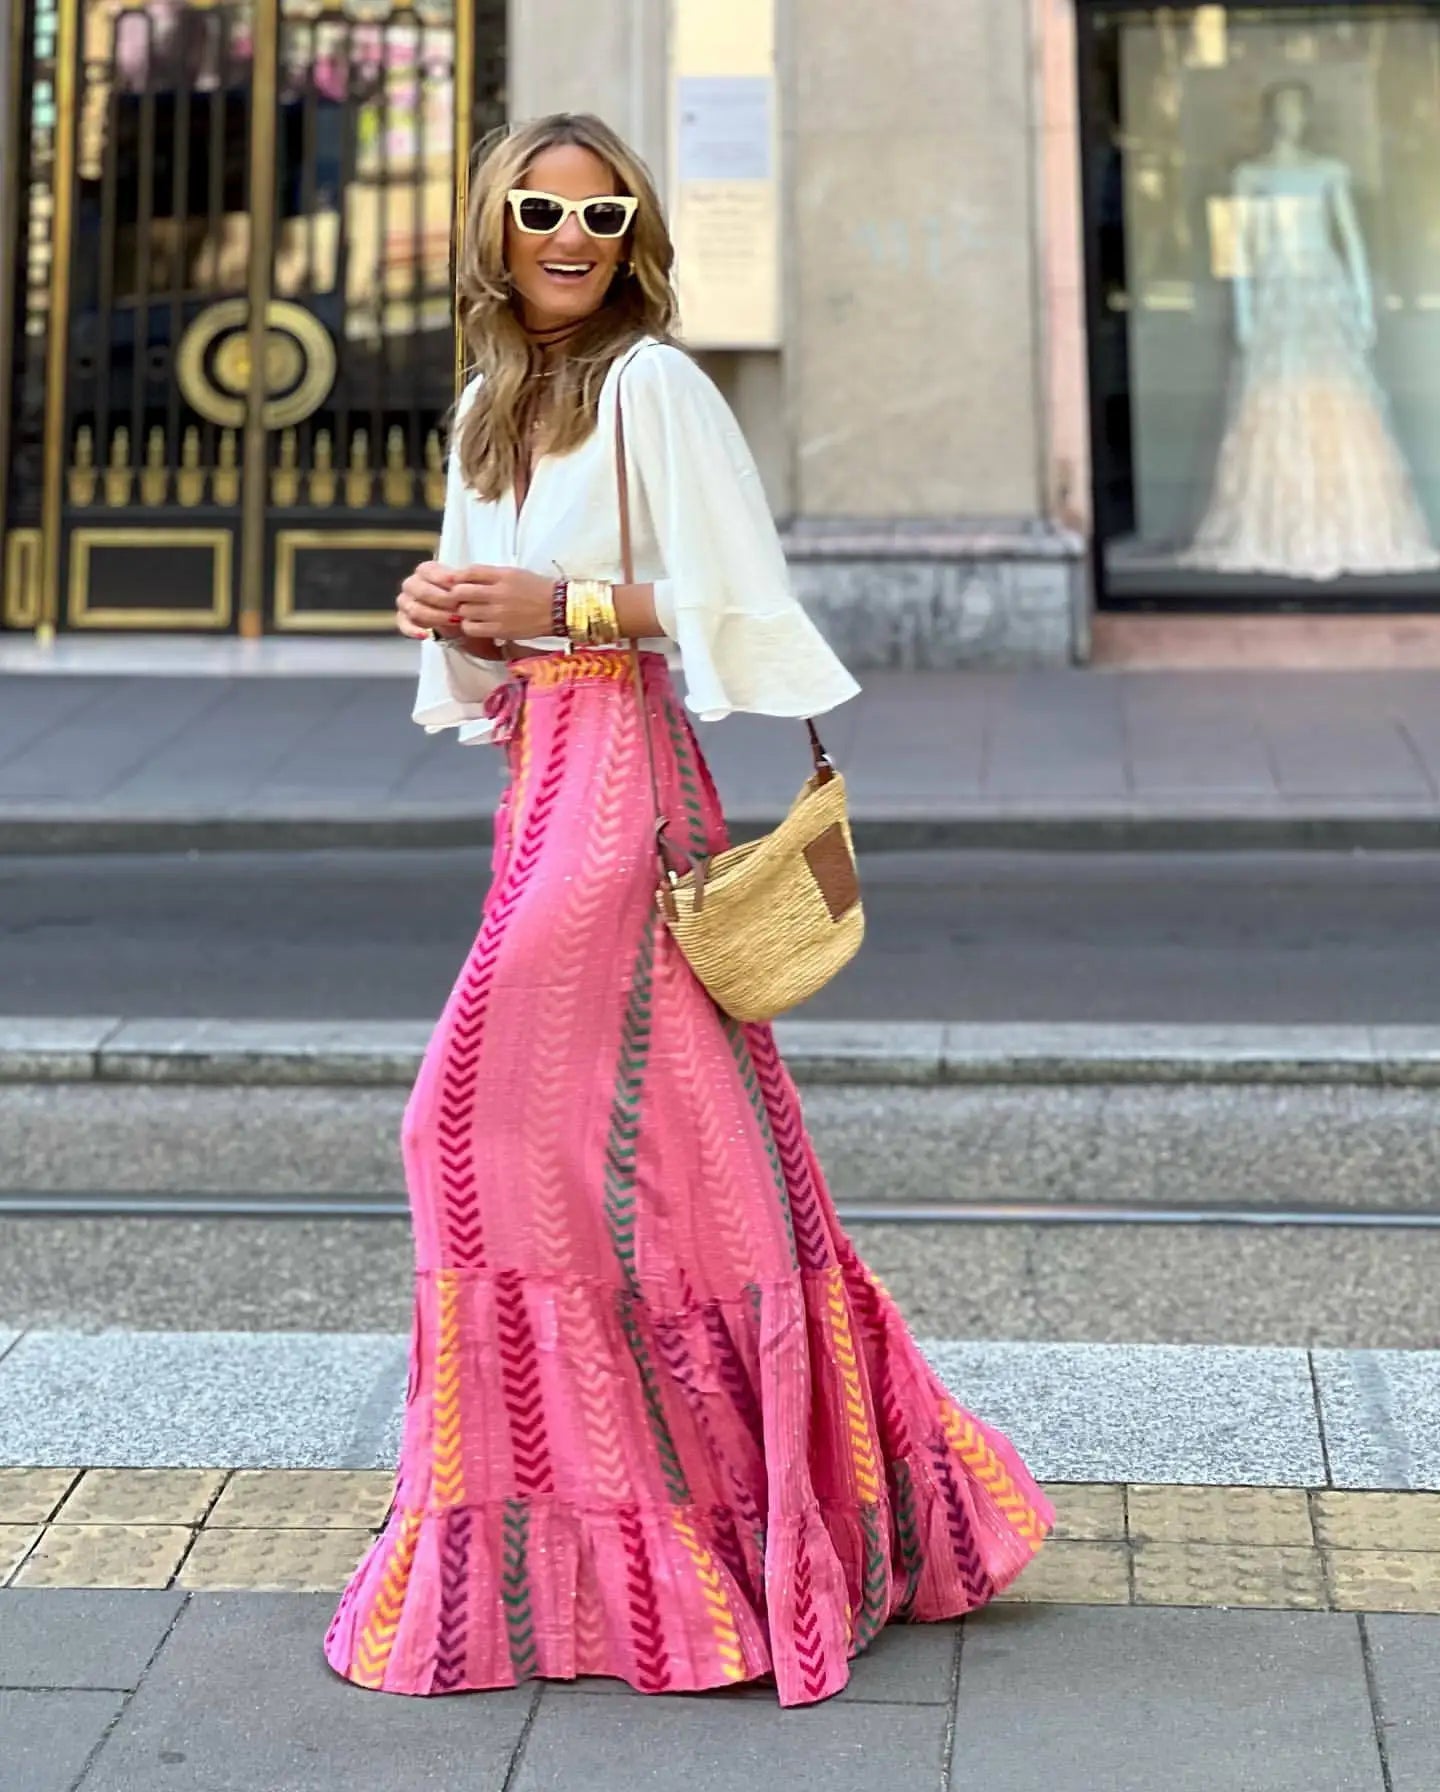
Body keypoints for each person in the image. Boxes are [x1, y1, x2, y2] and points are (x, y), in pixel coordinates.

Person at [321, 110, 1054, 1710]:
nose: (569, 235)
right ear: (490, 229)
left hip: (626, 785)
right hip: (541, 777)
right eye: (538, 208)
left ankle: (654, 1510)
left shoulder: (654, 386)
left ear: (633, 233)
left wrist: (560, 604)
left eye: (601, 212)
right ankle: (672, 1520)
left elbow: (739, 608)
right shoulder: (490, 406)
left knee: (460, 1121)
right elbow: (490, 643)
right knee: (678, 1150)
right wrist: (449, 607)